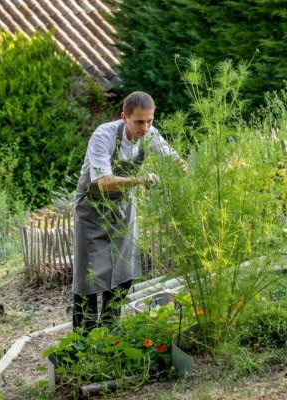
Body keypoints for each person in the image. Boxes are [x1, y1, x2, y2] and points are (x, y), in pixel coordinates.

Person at [72, 91, 185, 332]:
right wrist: (138, 179)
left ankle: (111, 328)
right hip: (92, 208)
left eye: (150, 121)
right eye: (139, 122)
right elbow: (102, 182)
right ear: (124, 117)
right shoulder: (103, 136)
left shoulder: (150, 135)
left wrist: (187, 174)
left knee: (124, 272)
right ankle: (84, 338)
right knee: (88, 278)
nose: (145, 127)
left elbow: (173, 159)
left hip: (122, 207)